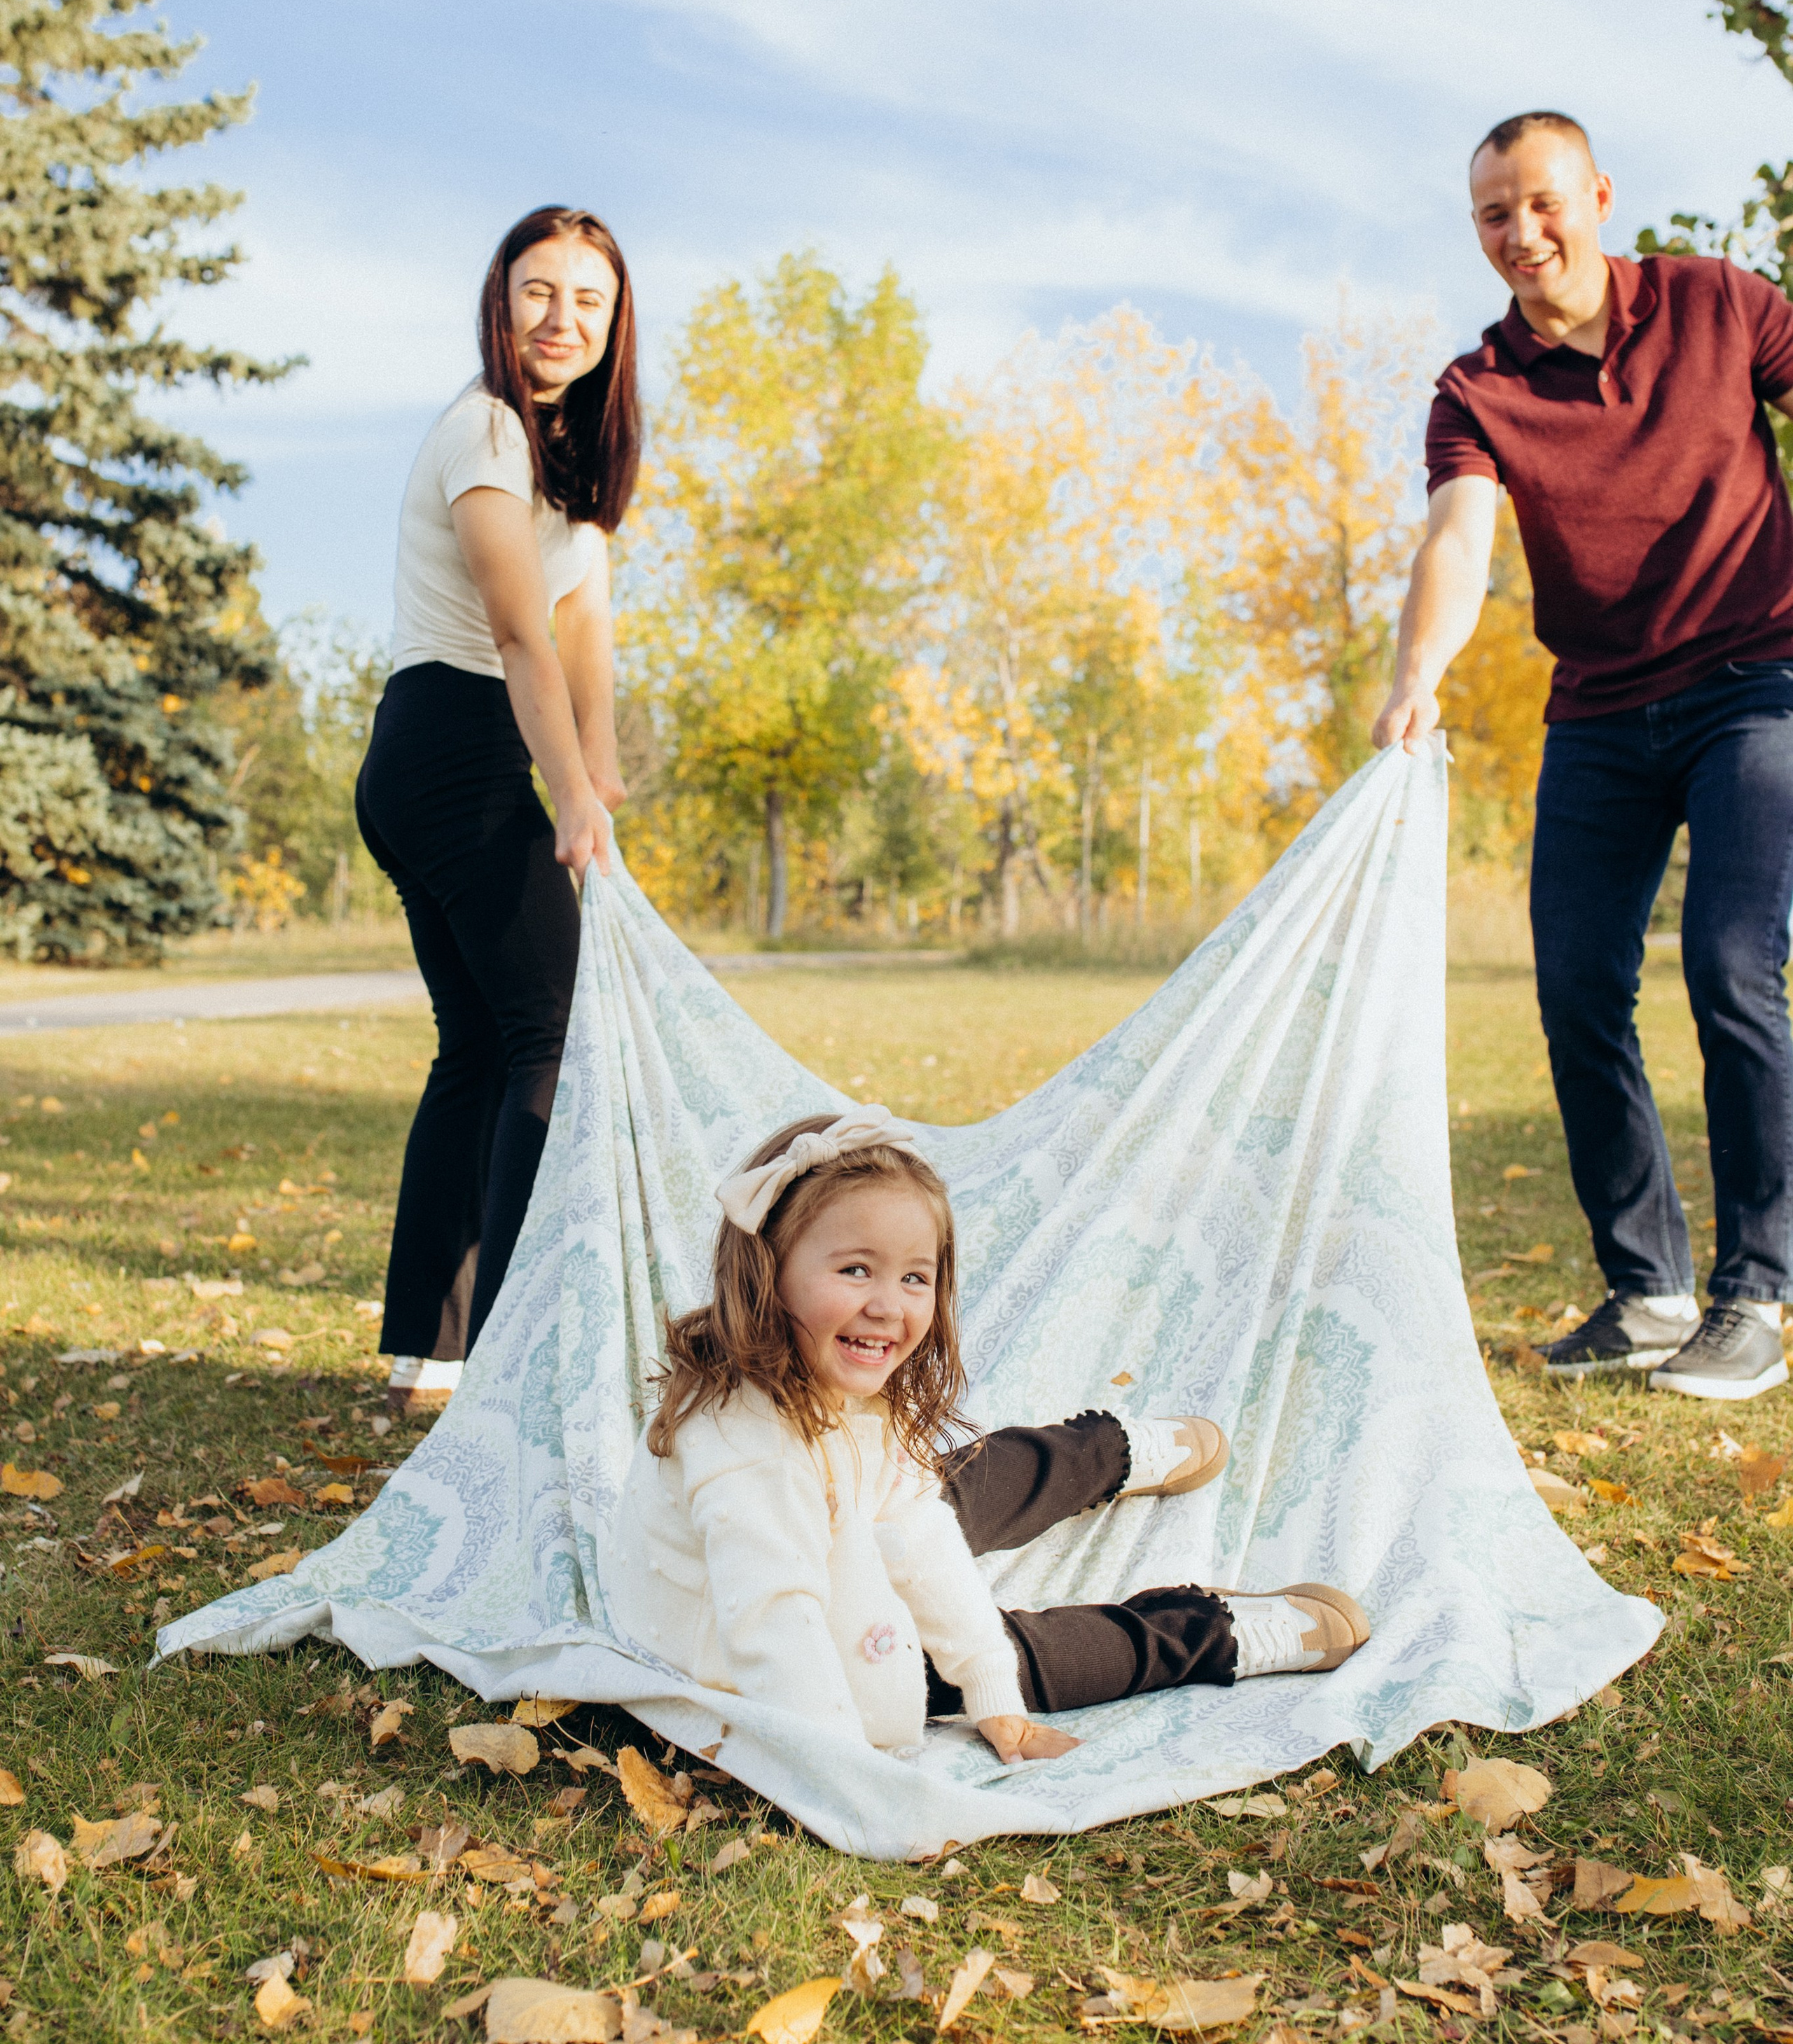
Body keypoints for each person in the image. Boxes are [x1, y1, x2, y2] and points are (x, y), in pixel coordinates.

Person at [1373, 111, 1793, 1403]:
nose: (1523, 233)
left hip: (1756, 687)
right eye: (1495, 214)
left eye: (1543, 203)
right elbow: (1457, 541)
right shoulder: (1477, 387)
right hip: (1603, 713)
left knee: (1730, 965)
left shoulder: (1722, 305)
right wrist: (1413, 679)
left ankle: (1759, 1292)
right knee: (1574, 989)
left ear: (1600, 196)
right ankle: (1650, 1286)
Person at [607, 1112, 1371, 1757]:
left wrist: (986, 1679)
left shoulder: (840, 1392)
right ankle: (1208, 1632)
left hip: (829, 1528)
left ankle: (1109, 1453)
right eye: (854, 1270)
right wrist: (976, 1712)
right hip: (759, 1649)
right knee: (1012, 1657)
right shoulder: (743, 1449)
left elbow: (922, 1537)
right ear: (765, 1272)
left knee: (950, 1490)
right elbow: (775, 1626)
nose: (888, 1305)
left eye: (914, 1277)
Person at [356, 205, 639, 1412]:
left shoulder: (575, 457)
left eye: (586, 298)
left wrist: (603, 772)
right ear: (499, 297)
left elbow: (584, 625)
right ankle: (516, 1357)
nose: (559, 319)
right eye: (538, 291)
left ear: (615, 321)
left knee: (478, 1045)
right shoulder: (483, 429)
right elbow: (518, 632)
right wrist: (565, 793)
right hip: (449, 739)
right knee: (550, 1033)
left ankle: (432, 1352)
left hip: (465, 747)